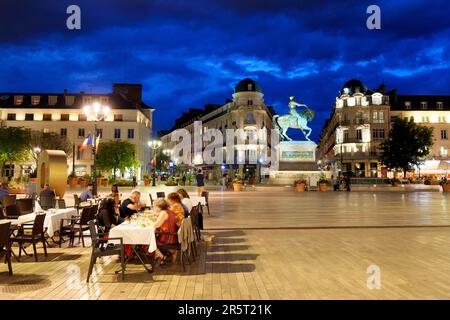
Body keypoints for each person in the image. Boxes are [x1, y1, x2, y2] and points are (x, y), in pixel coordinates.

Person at [152, 198, 179, 264]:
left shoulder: (163, 213)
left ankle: (162, 257)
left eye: (155, 207)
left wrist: (149, 222)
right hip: (173, 235)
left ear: (159, 206)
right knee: (151, 236)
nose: (155, 208)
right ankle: (157, 255)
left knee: (149, 239)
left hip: (167, 237)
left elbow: (156, 225)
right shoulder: (169, 210)